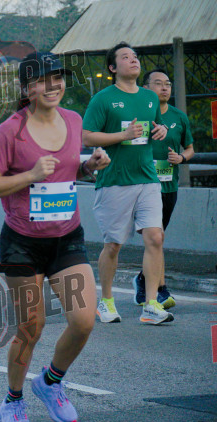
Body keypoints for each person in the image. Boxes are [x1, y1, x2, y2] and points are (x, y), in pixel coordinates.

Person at [0, 52, 111, 422]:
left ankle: (50, 382)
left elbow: (67, 170)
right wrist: (30, 175)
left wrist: (88, 167)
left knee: (84, 321)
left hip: (66, 238)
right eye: (42, 80)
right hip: (23, 243)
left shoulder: (74, 120)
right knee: (30, 327)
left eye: (58, 78)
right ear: (27, 88)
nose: (53, 86)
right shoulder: (10, 131)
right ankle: (12, 402)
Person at [82, 42, 172, 325]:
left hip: (147, 177)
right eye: (125, 57)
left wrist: (161, 129)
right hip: (115, 180)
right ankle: (106, 301)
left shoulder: (149, 98)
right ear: (112, 67)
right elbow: (87, 136)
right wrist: (122, 136)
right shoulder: (103, 99)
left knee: (155, 237)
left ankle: (151, 304)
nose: (133, 60)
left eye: (135, 56)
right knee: (113, 245)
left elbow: (156, 125)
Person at [133, 69, 195, 309]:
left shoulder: (179, 117)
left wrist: (181, 158)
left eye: (168, 84)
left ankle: (143, 279)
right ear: (146, 88)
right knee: (156, 238)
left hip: (169, 186)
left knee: (158, 239)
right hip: (143, 185)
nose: (165, 88)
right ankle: (160, 289)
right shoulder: (138, 115)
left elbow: (190, 148)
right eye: (158, 83)